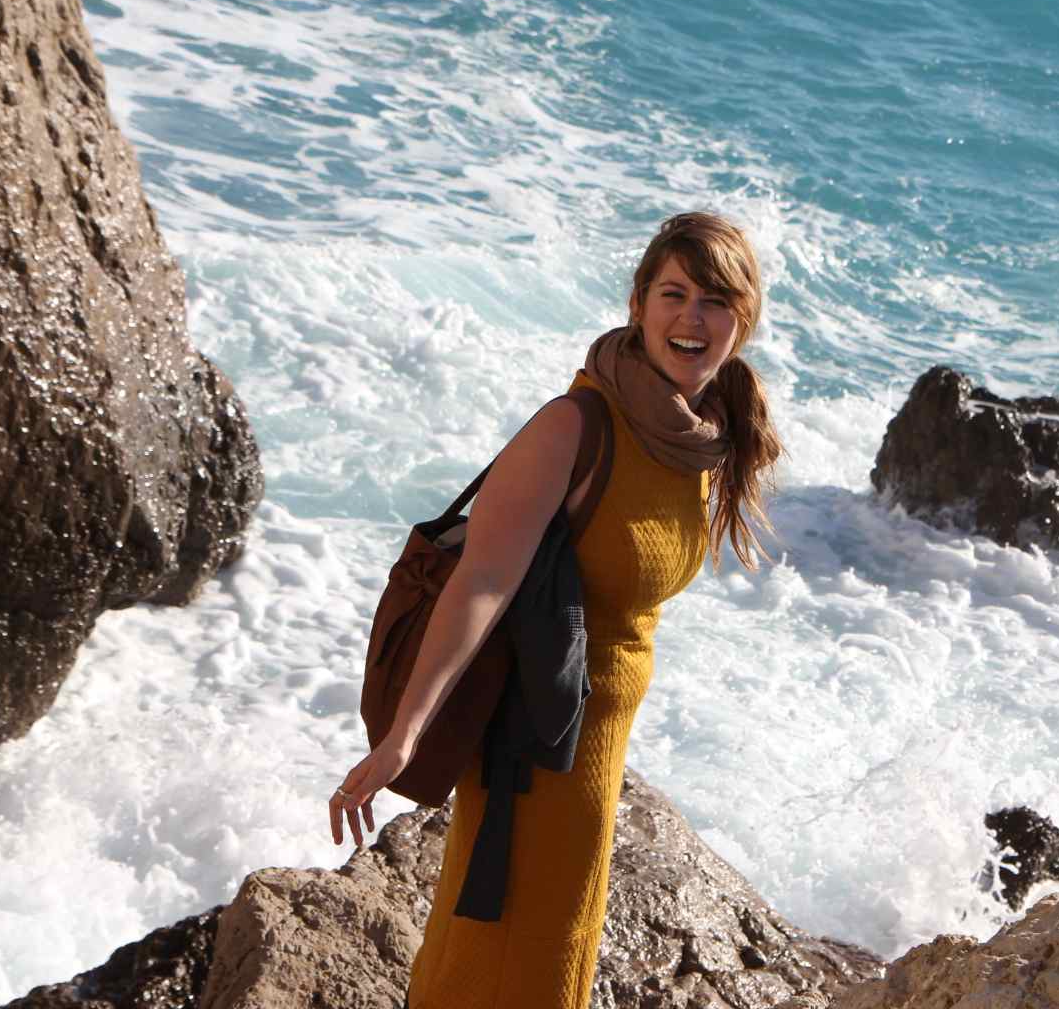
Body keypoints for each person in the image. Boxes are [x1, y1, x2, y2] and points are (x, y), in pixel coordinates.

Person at [327, 211, 784, 1008]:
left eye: (715, 300)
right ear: (638, 303)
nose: (692, 317)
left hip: (591, 752)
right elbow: (482, 581)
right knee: (503, 966)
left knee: (543, 964)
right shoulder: (574, 426)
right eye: (674, 293)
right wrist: (404, 735)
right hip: (533, 755)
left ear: (743, 320)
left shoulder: (698, 435)